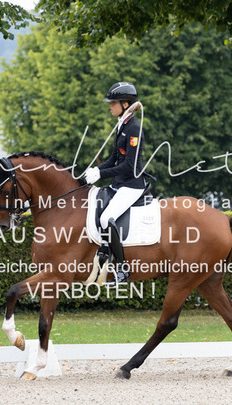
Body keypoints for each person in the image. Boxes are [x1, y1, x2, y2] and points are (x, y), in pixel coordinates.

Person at [83, 82, 147, 286]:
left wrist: (101, 174)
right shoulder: (122, 125)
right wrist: (95, 171)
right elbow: (113, 158)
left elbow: (128, 166)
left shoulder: (134, 128)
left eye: (113, 103)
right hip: (119, 184)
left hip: (132, 185)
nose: (110, 106)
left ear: (125, 103)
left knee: (106, 218)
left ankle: (122, 270)